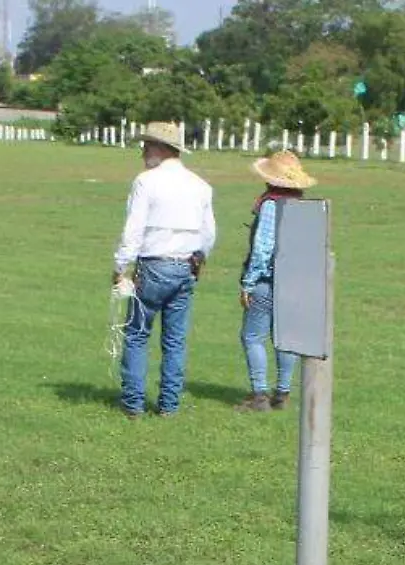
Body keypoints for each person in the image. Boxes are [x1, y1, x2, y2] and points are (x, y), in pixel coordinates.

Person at [112, 121, 216, 419]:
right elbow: (209, 233)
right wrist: (199, 258)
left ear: (160, 148)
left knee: (137, 335)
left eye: (146, 146)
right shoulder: (200, 185)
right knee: (175, 340)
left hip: (153, 265)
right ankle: (169, 405)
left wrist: (121, 266)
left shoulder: (146, 182)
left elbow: (134, 229)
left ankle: (133, 403)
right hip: (185, 266)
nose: (142, 152)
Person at [236, 150, 315, 413]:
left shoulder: (271, 206)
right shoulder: (305, 207)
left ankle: (259, 396)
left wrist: (248, 283)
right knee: (285, 338)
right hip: (296, 281)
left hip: (268, 281)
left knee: (252, 336)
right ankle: (282, 393)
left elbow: (263, 248)